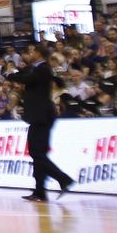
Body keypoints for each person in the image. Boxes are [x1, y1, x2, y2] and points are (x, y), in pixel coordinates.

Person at [13, 43, 74, 202]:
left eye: (32, 51)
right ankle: (40, 192)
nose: (29, 53)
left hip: (42, 117)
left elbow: (26, 79)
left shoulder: (43, 69)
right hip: (38, 117)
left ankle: (64, 179)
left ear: (39, 53)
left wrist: (10, 74)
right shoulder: (39, 68)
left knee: (37, 153)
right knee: (37, 154)